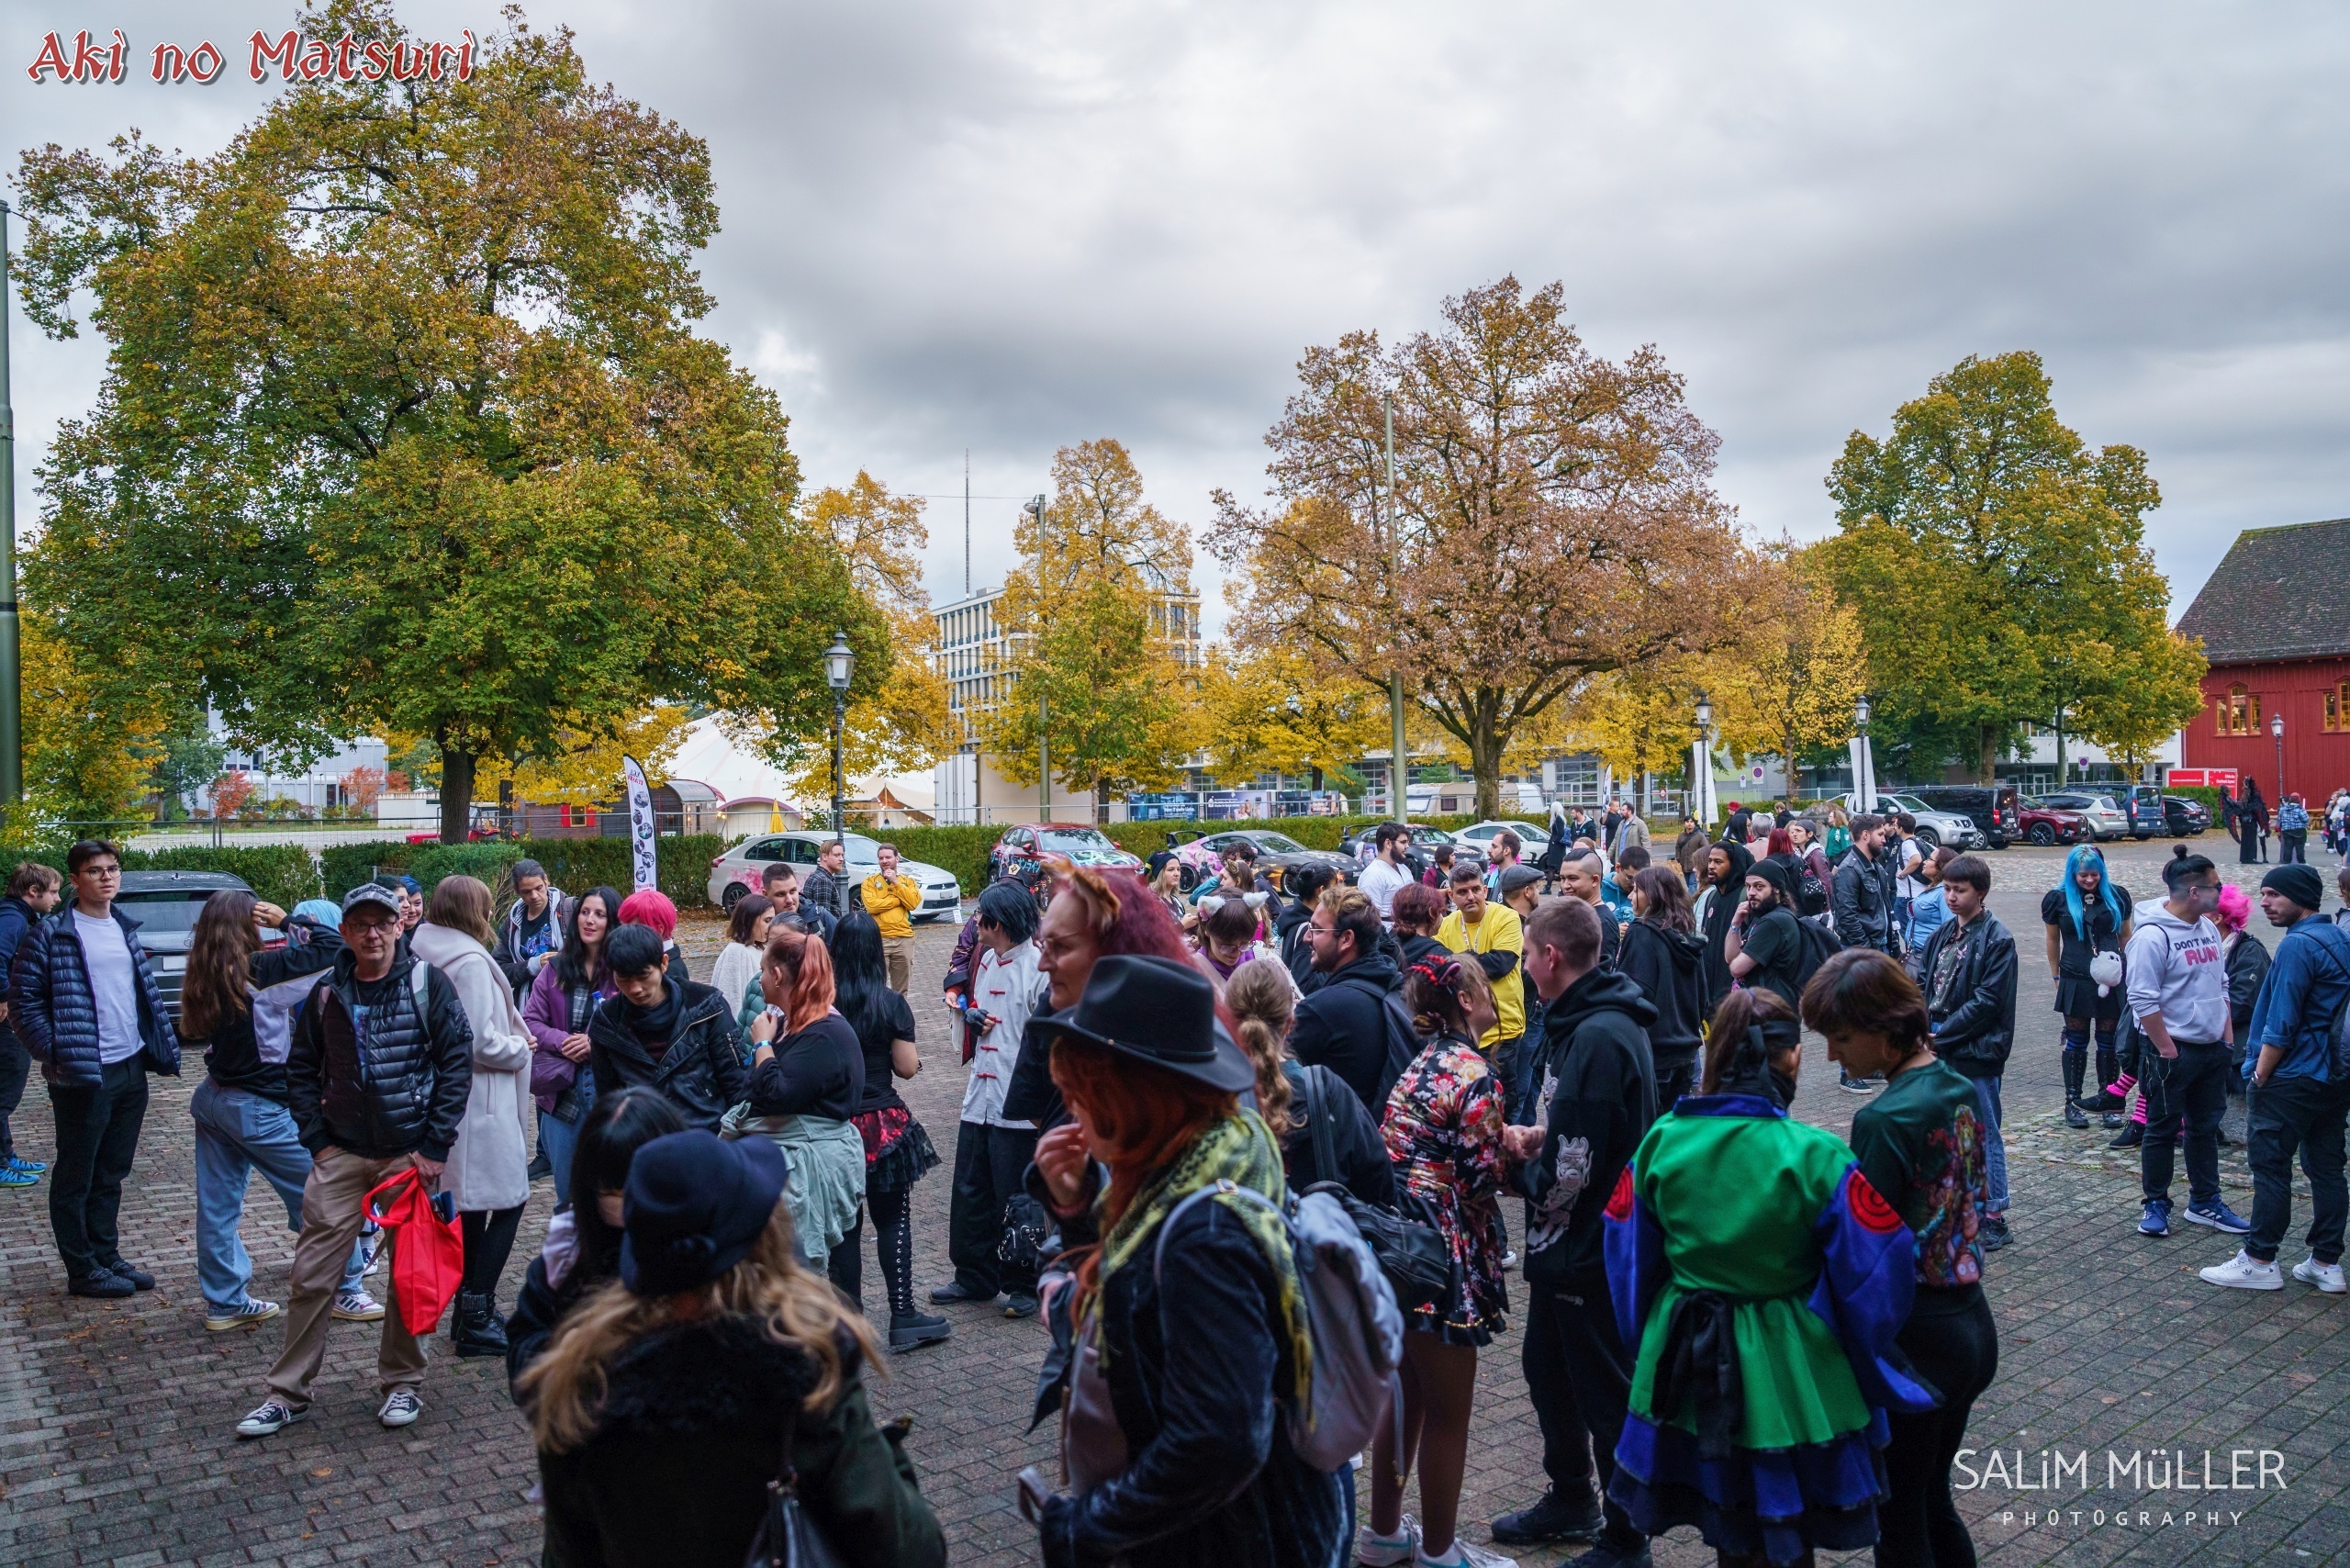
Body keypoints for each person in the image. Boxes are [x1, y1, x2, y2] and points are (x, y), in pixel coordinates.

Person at [1026, 956, 1346, 1568]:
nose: (1072, 1115)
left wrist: (1088, 1526)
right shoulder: (1198, 1161)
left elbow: (1220, 1440)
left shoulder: (1204, 1234)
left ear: (1130, 1099)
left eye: (1081, 1095)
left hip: (1235, 1541)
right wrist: (1076, 1207)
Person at [1604, 988, 1937, 1567]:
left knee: (1725, 1520)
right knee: (1783, 1526)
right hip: (1790, 1367)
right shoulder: (1817, 1156)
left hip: (1683, 1353)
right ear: (1791, 1058)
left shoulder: (1660, 1141)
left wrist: (1648, 1338)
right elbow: (1879, 1268)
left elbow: (1625, 1252)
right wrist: (1860, 1348)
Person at [522, 1129, 946, 1568]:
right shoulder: (805, 1377)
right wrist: (889, 1452)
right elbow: (913, 1551)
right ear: (759, 1242)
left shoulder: (579, 1391)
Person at [234, 882, 475, 1439]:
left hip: (407, 1157)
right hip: (340, 1155)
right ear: (344, 932)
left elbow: (456, 1064)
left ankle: (402, 1385)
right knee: (312, 1276)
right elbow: (300, 1069)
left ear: (398, 927)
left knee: (408, 1277)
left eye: (382, 923)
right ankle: (287, 1393)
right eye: (361, 923)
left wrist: (435, 1147)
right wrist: (316, 1141)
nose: (372, 932)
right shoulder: (326, 991)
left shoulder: (426, 983)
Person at [1803, 949, 1997, 1568]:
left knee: (1898, 1513)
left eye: (1841, 1038)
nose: (1833, 1056)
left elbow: (1868, 1249)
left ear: (1885, 1031)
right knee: (1931, 1498)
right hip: (1970, 1322)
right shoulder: (1957, 1085)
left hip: (1918, 1339)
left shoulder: (1884, 1117)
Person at [1491, 897, 1657, 1558]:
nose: (1526, 964)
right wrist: (1542, 1134)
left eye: (1529, 953)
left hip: (1589, 1249)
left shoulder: (1595, 1036)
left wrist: (1517, 1178)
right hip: (1572, 1247)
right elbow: (1580, 1127)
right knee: (1549, 1372)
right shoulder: (1594, 1021)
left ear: (1550, 958)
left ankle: (1626, 1535)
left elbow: (1573, 1170)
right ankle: (1570, 1499)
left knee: (1601, 1393)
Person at [1360, 953, 1513, 1568]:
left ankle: (1385, 1533)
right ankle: (1443, 1551)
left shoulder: (1419, 1063)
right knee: (1450, 1412)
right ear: (1471, 1002)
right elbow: (1481, 1177)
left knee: (1403, 1393)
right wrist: (1514, 1147)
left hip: (1398, 1241)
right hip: (1444, 1250)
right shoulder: (1476, 1073)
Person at [181, 891, 376, 1331]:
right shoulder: (260, 971)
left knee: (217, 1208)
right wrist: (290, 919)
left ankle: (225, 1302)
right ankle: (346, 1290)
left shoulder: (208, 969)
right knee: (327, 1197)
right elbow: (338, 950)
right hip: (258, 1108)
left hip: (214, 1099)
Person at [9, 838, 181, 1297]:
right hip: (82, 1072)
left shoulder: (125, 927)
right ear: (74, 880)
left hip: (129, 1066)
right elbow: (24, 1003)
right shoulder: (51, 933)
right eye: (95, 870)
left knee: (112, 1171)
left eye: (113, 868)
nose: (107, 876)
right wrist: (57, 1051)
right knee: (76, 1174)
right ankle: (82, 1269)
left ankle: (107, 1255)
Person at [2200, 863, 2350, 1293]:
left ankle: (2260, 1258)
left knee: (2270, 1168)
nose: (2264, 903)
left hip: (2291, 1076)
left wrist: (2259, 1076)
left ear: (2299, 897)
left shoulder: (2297, 946)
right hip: (2334, 1077)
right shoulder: (2339, 936)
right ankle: (2325, 1262)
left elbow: (2281, 1022)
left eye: (2272, 895)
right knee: (2326, 1168)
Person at [409, 876, 536, 1359]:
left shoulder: (426, 951)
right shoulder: (468, 963)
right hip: (481, 1103)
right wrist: (519, 1046)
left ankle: (470, 1311)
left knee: (466, 1207)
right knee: (505, 1201)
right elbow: (479, 1041)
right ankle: (476, 1312)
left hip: (448, 1100)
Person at [502, 1086, 688, 1391]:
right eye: (611, 1191)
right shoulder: (568, 1248)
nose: (628, 1205)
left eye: (639, 1187)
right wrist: (570, 1360)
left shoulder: (707, 1246)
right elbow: (525, 1345)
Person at [828, 909, 948, 1348]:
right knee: (893, 1219)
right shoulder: (890, 1002)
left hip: (834, 1127)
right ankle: (903, 1316)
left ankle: (848, 1326)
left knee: (844, 1227)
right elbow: (906, 1068)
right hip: (882, 1126)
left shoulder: (822, 1001)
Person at [934, 880, 1045, 1316]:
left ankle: (1024, 1284)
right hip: (979, 1095)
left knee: (1016, 1196)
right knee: (971, 1190)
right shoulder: (984, 964)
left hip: (1017, 1106)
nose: (975, 921)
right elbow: (976, 1017)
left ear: (998, 922)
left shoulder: (1039, 969)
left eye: (982, 915)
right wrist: (970, 1015)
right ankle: (974, 1276)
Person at [2127, 847, 2244, 1240]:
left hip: (2211, 1048)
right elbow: (2142, 998)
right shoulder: (2152, 936)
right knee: (2160, 1129)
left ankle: (2205, 1201)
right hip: (2171, 1051)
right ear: (2194, 892)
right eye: (2217, 886)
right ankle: (2156, 1203)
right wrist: (2165, 1048)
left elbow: (2221, 983)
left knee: (2204, 1128)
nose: (2222, 893)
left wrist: (2225, 1036)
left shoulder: (2208, 928)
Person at [742, 924, 867, 1285]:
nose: (761, 978)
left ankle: (839, 1338)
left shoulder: (823, 1032)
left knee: (831, 1281)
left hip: (819, 1169)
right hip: (800, 1160)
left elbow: (776, 1095)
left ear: (778, 975)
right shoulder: (792, 1023)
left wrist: (761, 1046)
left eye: (764, 970)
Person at [1226, 958, 1393, 1204]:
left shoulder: (1212, 1099)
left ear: (1227, 1021)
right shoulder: (1326, 1091)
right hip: (1317, 1238)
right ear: (1289, 1024)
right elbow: (1381, 1185)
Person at [1915, 853, 2019, 1252]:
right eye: (1947, 889)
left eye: (1960, 890)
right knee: (1946, 1130)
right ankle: (1957, 1205)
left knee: (1984, 1130)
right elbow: (1923, 983)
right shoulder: (1943, 934)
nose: (1951, 897)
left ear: (1982, 893)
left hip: (1976, 1047)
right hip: (1937, 1039)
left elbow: (1988, 1001)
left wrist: (1941, 1036)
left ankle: (1994, 1214)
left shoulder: (1998, 938)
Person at [586, 924, 746, 1135]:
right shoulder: (606, 1022)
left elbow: (736, 1083)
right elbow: (608, 1099)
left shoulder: (708, 1008)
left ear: (663, 963)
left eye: (643, 976)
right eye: (624, 979)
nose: (635, 989)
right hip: (642, 1144)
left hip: (707, 1138)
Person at [526, 886, 619, 1204]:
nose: (589, 920)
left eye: (599, 914)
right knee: (568, 1196)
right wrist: (564, 1041)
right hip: (561, 1096)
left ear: (613, 922)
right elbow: (531, 1021)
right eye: (584, 912)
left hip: (609, 1094)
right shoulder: (555, 968)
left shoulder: (621, 970)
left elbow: (633, 1024)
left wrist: (596, 1043)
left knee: (607, 1192)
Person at [2042, 845, 2134, 1131]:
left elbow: (2126, 936)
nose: (2089, 880)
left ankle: (2110, 1101)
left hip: (2112, 978)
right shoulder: (2057, 899)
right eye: (2083, 875)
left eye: (2094, 874)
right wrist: (2056, 978)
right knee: (2077, 1040)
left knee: (2109, 1042)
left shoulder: (2117, 896)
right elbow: (2052, 940)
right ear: (2073, 873)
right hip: (2074, 976)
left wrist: (2133, 976)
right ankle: (2073, 1102)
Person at [1290, 886, 1407, 1113]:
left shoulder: (1322, 1009)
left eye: (1316, 929)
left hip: (1341, 1141)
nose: (1306, 937)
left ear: (1346, 939)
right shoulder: (1395, 984)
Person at [1618, 867, 1706, 1106]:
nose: (1629, 896)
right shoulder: (1688, 934)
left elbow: (1632, 996)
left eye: (1636, 890)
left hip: (1654, 1055)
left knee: (1648, 1136)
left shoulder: (1641, 933)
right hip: (1687, 1054)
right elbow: (1702, 998)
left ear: (1654, 895)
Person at [0, 861, 62, 1188]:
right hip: (6, 1024)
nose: (57, 899)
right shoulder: (11, 919)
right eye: (52, 892)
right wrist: (4, 997)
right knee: (4, 1095)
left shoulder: (14, 915)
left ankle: (6, 1156)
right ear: (33, 891)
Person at [1724, 857, 1807, 1016]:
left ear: (1776, 888)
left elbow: (1736, 968)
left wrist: (1738, 958)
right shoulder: (1762, 917)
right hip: (1765, 1006)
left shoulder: (1774, 922)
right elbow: (1730, 957)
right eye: (1748, 887)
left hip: (1771, 1010)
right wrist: (1736, 923)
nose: (1751, 893)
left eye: (1759, 886)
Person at [2219, 884, 2272, 1124]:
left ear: (2219, 917)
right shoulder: (2207, 946)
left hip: (2240, 1046)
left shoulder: (2248, 951)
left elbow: (2242, 1002)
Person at [1693, 839, 1753, 1020]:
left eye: (1718, 862)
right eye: (1710, 861)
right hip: (1711, 999)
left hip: (1735, 999)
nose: (1711, 866)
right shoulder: (1712, 896)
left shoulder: (1745, 898)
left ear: (1734, 865)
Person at [494, 858, 569, 996]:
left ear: (546, 880)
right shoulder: (512, 924)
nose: (534, 896)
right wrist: (532, 966)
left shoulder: (569, 911)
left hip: (565, 1001)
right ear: (516, 891)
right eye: (526, 892)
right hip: (527, 1006)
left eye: (538, 888)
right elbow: (497, 971)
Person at [860, 841, 923, 992]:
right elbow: (872, 906)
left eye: (888, 857)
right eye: (881, 858)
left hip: (904, 939)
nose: (884, 861)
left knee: (900, 990)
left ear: (897, 858)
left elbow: (913, 903)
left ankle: (899, 1016)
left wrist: (896, 883)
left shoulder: (908, 882)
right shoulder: (869, 882)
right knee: (876, 987)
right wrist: (898, 901)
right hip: (879, 939)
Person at [1833, 812, 1897, 957]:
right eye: (1880, 835)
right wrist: (1866, 951)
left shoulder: (1876, 866)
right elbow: (1847, 917)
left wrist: (1893, 943)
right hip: (1863, 952)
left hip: (1880, 946)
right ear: (1866, 835)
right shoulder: (1849, 870)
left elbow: (1884, 909)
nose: (1884, 840)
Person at [710, 892, 774, 1030]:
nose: (771, 926)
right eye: (767, 921)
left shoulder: (760, 949)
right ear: (749, 920)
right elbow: (729, 999)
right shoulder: (736, 952)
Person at [1194, 891, 1280, 989]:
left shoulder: (1262, 959)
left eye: (1244, 944)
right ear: (1207, 930)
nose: (1237, 953)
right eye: (1227, 946)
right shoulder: (1194, 972)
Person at [1557, 846, 1623, 968]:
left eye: (1572, 878)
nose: (1565, 885)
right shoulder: (1577, 915)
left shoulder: (1602, 923)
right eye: (1562, 878)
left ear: (1594, 880)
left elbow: (1598, 978)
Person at [615, 888, 688, 982]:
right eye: (622, 927)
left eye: (635, 930)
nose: (624, 935)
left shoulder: (670, 973)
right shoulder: (651, 958)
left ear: (658, 930)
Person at [765, 860, 838, 946]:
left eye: (793, 891)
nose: (789, 900)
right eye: (781, 894)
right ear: (765, 894)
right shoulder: (758, 924)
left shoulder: (821, 918)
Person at [1355, 821, 1415, 924]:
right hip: (1388, 936)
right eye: (1403, 842)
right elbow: (1371, 918)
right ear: (1388, 843)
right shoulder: (1373, 874)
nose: (1407, 846)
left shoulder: (1404, 869)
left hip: (1408, 932)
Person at [1907, 846, 1954, 958]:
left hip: (1929, 956)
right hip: (1920, 953)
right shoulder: (1935, 888)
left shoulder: (1943, 893)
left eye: (1929, 859)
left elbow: (1950, 929)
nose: (1925, 861)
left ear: (1941, 865)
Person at [801, 838, 854, 922]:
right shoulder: (823, 881)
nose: (841, 859)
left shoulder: (817, 876)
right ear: (824, 856)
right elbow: (821, 919)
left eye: (842, 855)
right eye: (836, 855)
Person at [1670, 818, 1707, 896]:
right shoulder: (1681, 836)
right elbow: (1678, 847)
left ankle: (1690, 903)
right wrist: (1678, 858)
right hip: (1684, 865)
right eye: (1687, 822)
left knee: (1692, 884)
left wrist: (1700, 861)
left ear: (1694, 823)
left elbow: (1705, 848)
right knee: (1688, 883)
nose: (1689, 824)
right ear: (1684, 823)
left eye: (1691, 822)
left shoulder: (1700, 835)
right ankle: (1695, 899)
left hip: (1695, 866)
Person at [2278, 794, 2311, 865]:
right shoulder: (2300, 809)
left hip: (2286, 830)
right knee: (2299, 847)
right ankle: (2301, 862)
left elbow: (2280, 819)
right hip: (2299, 830)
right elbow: (2306, 819)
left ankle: (2286, 861)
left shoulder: (2283, 809)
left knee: (2288, 846)